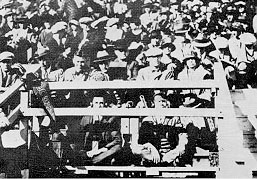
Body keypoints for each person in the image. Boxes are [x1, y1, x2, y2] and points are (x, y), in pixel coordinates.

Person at [131, 92, 197, 167]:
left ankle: (165, 162)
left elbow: (182, 140)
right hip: (153, 154)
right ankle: (155, 161)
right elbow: (141, 142)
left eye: (164, 101)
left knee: (183, 147)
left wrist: (171, 155)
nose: (162, 104)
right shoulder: (148, 119)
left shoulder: (174, 119)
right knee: (136, 149)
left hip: (170, 155)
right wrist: (152, 148)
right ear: (154, 104)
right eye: (159, 101)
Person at [79, 92, 122, 165]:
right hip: (89, 151)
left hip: (104, 151)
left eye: (101, 103)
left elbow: (117, 140)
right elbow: (80, 138)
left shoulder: (110, 119)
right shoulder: (86, 118)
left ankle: (94, 161)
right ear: (91, 104)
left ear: (105, 105)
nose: (98, 106)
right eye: (96, 103)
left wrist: (104, 148)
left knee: (117, 148)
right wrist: (86, 152)